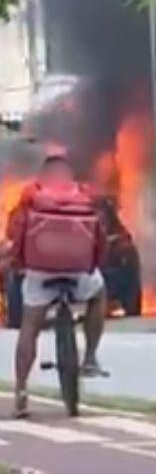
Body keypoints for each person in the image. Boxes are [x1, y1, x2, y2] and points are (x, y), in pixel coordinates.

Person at [5, 155, 107, 418]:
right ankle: (90, 357)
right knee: (98, 294)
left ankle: (21, 393)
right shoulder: (83, 193)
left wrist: (17, 262)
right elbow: (100, 234)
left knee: (30, 327)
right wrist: (95, 262)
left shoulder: (31, 194)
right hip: (79, 270)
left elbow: (15, 231)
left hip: (40, 270)